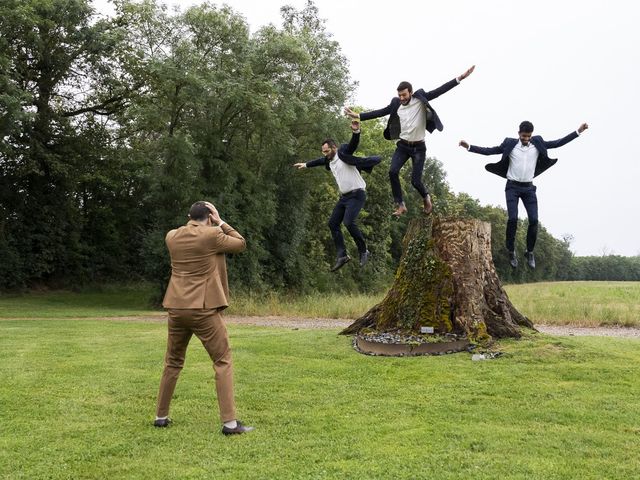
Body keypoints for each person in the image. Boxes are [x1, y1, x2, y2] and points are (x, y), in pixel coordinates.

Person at [154, 200, 254, 435]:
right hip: (203, 308)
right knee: (222, 360)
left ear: (189, 216)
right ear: (209, 216)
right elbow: (240, 243)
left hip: (176, 307)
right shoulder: (212, 235)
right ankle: (230, 423)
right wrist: (220, 221)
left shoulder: (171, 236)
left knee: (173, 361)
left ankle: (161, 416)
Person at [344, 65, 475, 216]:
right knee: (392, 171)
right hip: (403, 146)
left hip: (419, 147)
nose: (402, 98)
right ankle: (400, 205)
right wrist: (358, 115)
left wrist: (460, 78)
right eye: (399, 95)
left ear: (411, 93)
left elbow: (439, 91)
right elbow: (380, 112)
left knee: (415, 181)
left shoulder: (419, 98)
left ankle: (426, 197)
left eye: (404, 95)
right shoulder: (396, 104)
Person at [459, 120, 589, 268]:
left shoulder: (537, 142)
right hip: (512, 187)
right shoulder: (510, 144)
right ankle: (511, 250)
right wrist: (469, 147)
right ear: (518, 133)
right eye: (523, 136)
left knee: (534, 220)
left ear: (531, 135)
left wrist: (578, 131)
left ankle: (530, 251)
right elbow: (490, 151)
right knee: (513, 219)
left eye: (528, 136)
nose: (526, 139)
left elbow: (558, 143)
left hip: (529, 189)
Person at [293, 121, 381, 272]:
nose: (325, 154)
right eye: (323, 152)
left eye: (327, 151)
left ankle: (363, 250)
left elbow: (353, 144)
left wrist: (356, 131)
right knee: (333, 223)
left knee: (348, 222)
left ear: (334, 148)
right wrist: (306, 164)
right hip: (344, 198)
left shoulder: (343, 153)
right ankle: (342, 255)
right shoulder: (329, 160)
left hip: (357, 194)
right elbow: (320, 161)